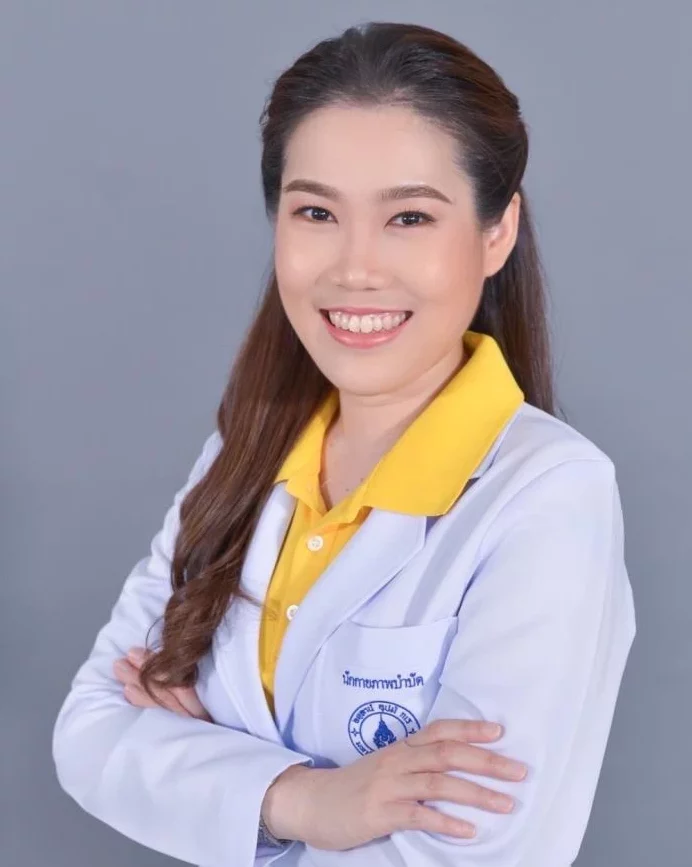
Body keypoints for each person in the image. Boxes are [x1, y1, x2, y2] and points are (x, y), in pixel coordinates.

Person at [51, 20, 636, 867]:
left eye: (409, 217)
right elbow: (88, 734)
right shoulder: (246, 450)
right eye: (317, 212)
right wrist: (305, 799)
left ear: (497, 232)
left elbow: (463, 850)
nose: (356, 268)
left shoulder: (548, 496)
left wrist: (206, 776)